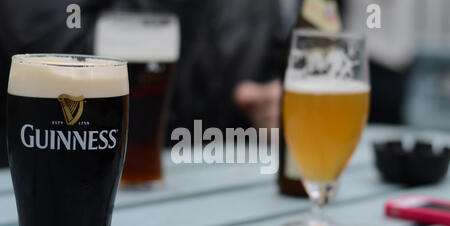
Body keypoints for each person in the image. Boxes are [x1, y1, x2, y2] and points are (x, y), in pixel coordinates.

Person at [0, 0, 288, 166]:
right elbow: (59, 66)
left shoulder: (257, 7)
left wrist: (272, 109)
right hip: (75, 184)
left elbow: (271, 79)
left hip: (211, 195)